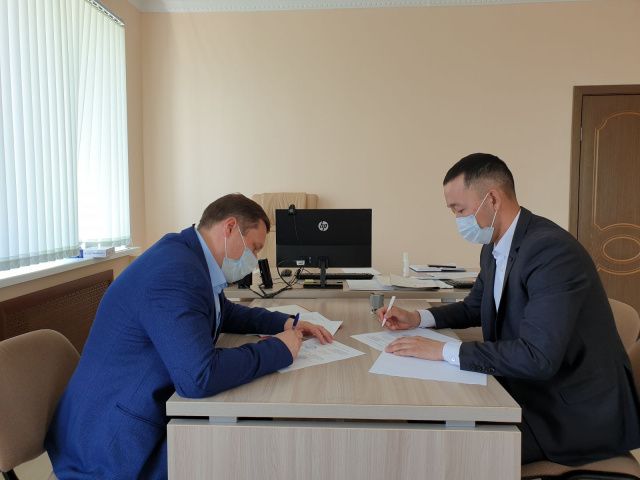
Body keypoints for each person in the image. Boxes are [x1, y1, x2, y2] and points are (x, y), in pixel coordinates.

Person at [46, 193, 333, 479]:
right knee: (241, 448)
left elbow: (224, 313)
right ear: (230, 227)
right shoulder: (175, 271)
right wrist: (280, 350)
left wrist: (286, 323)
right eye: (254, 248)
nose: (255, 259)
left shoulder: (188, 254)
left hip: (128, 416)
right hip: (113, 446)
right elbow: (199, 377)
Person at [378, 153, 640, 465]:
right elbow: (475, 306)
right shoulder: (495, 247)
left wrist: (443, 351)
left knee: (438, 450)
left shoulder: (551, 251)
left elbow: (537, 357)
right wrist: (418, 318)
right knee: (421, 422)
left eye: (459, 210)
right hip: (527, 388)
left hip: (571, 414)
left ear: (491, 199)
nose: (458, 221)